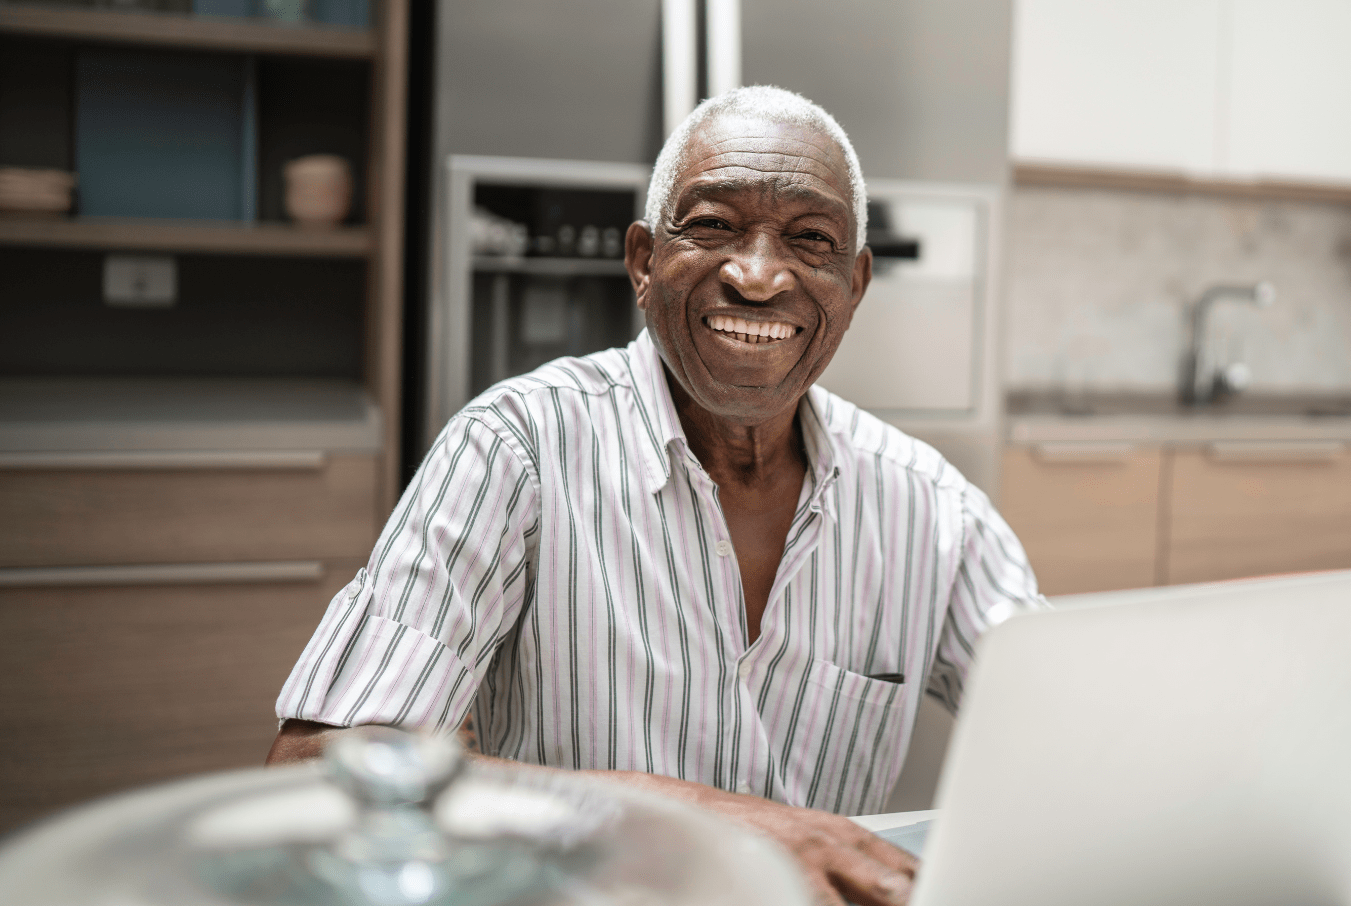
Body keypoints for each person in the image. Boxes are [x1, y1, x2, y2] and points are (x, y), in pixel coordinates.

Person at [268, 85, 1043, 906]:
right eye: (712, 226)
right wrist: (694, 818)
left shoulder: (935, 512)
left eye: (809, 239)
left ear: (853, 283)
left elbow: (1084, 733)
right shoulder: (517, 447)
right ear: (643, 261)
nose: (756, 274)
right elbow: (317, 772)